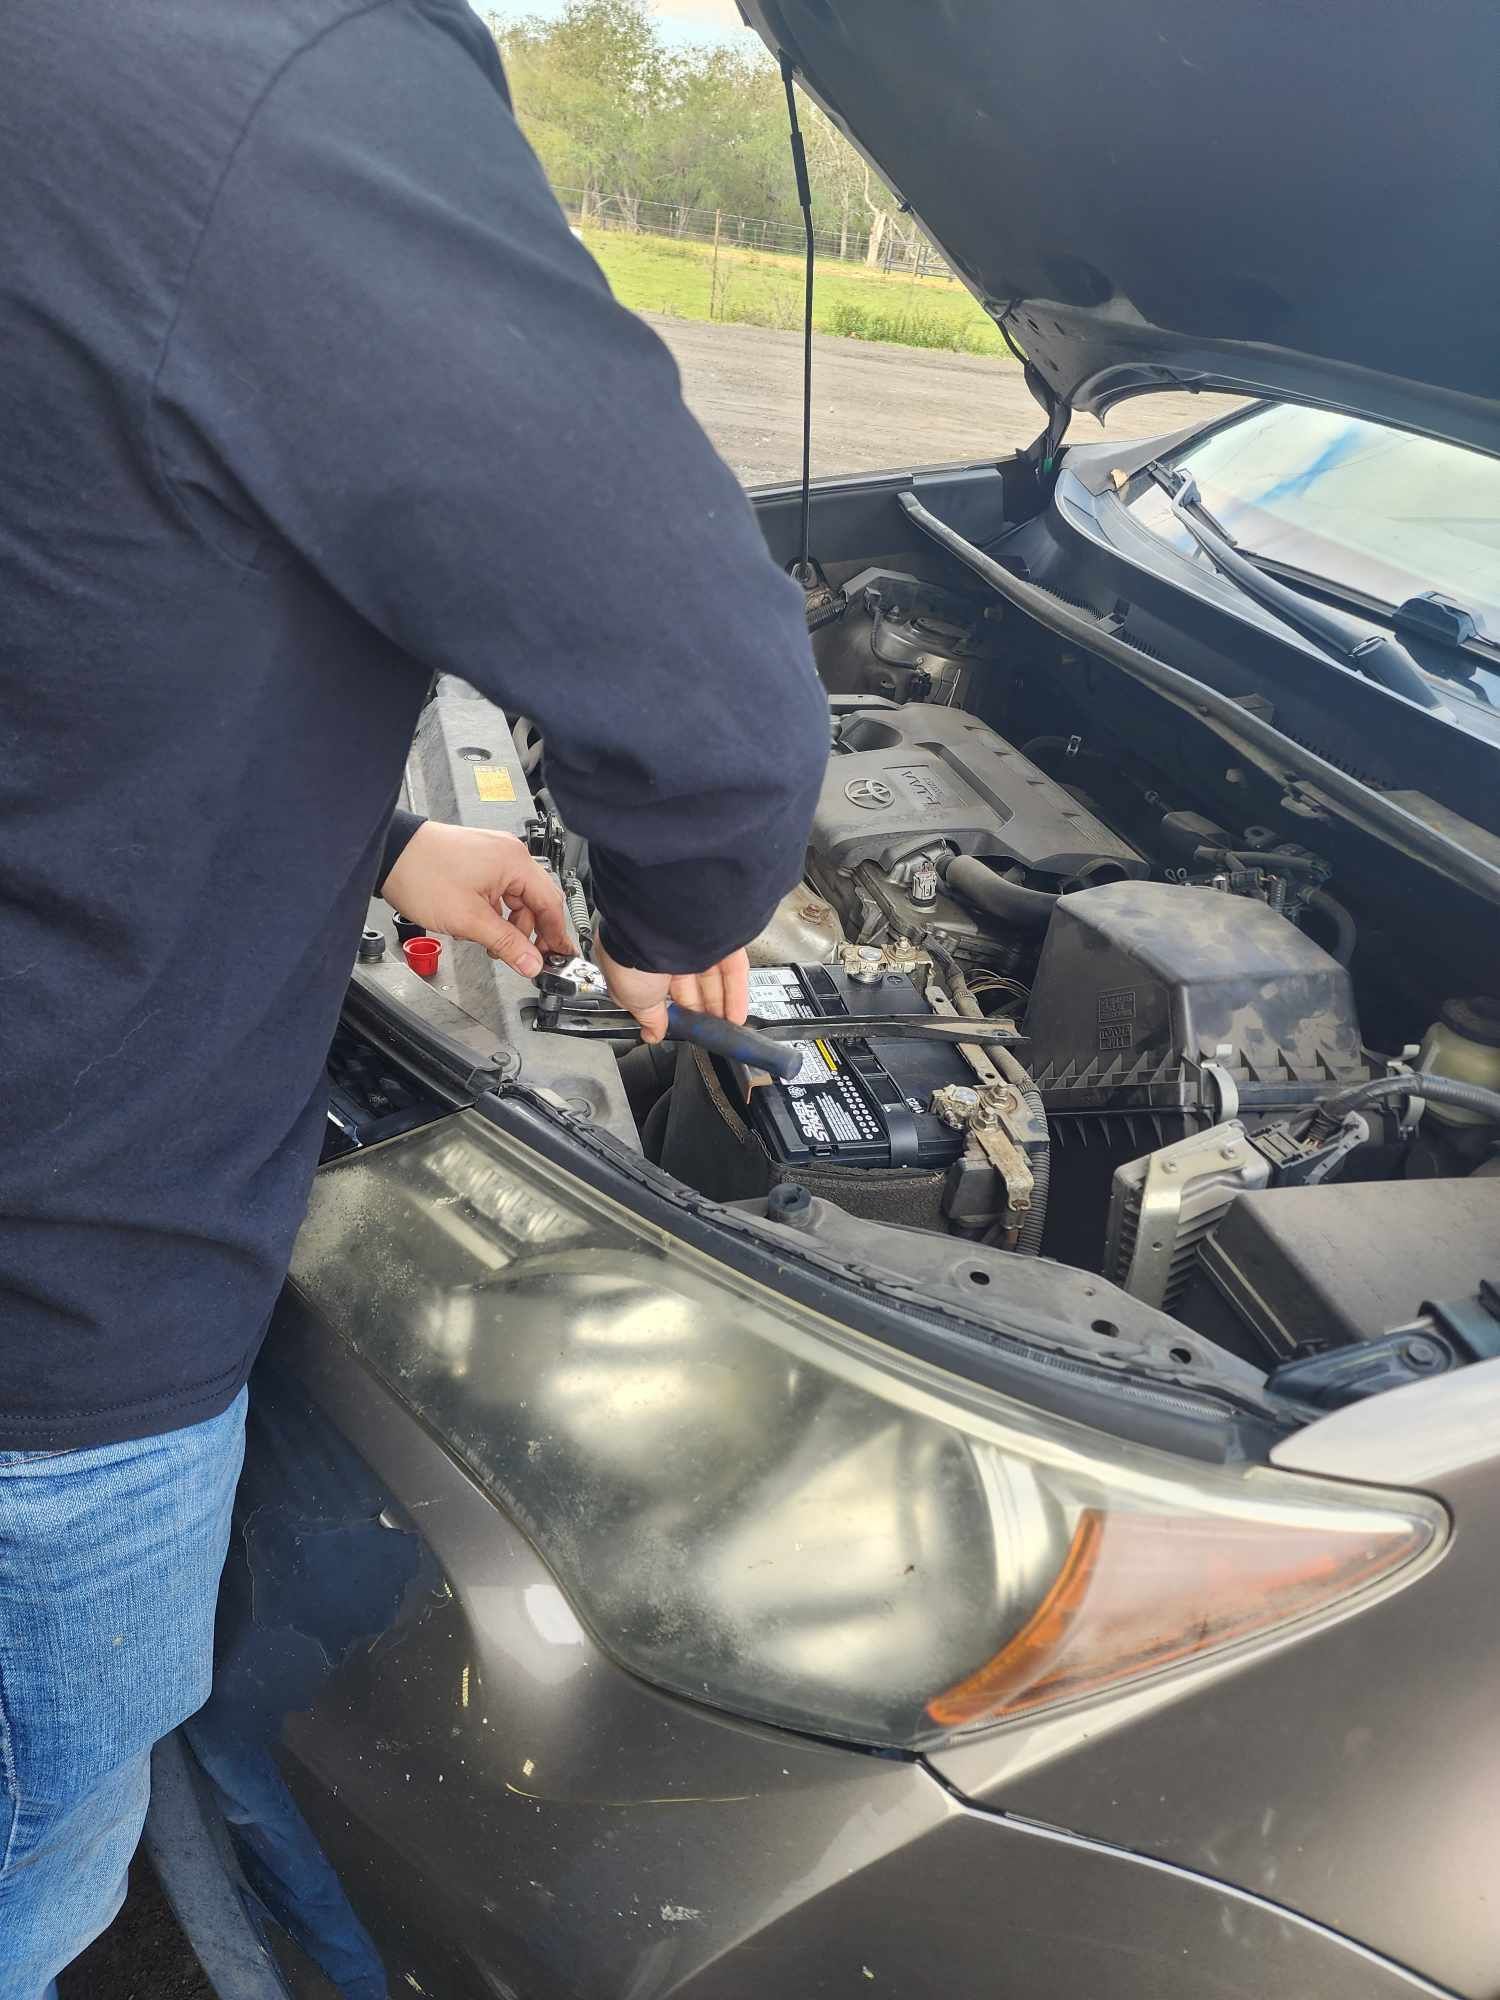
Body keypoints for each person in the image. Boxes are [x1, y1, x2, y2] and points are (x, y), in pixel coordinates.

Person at [0, 2, 828, 1991]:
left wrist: (372, 845)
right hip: (54, 1310)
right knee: (35, 1865)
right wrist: (681, 912)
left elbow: (67, 560)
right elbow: (713, 714)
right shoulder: (273, 65)